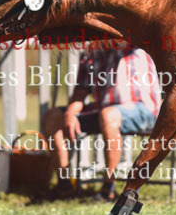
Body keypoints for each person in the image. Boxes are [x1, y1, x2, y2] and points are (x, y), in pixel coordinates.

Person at [42, 45, 162, 201]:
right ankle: (64, 186)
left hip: (142, 110)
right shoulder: (90, 54)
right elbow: (80, 93)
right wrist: (70, 114)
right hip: (104, 111)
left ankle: (108, 188)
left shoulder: (134, 43)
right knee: (52, 117)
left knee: (108, 115)